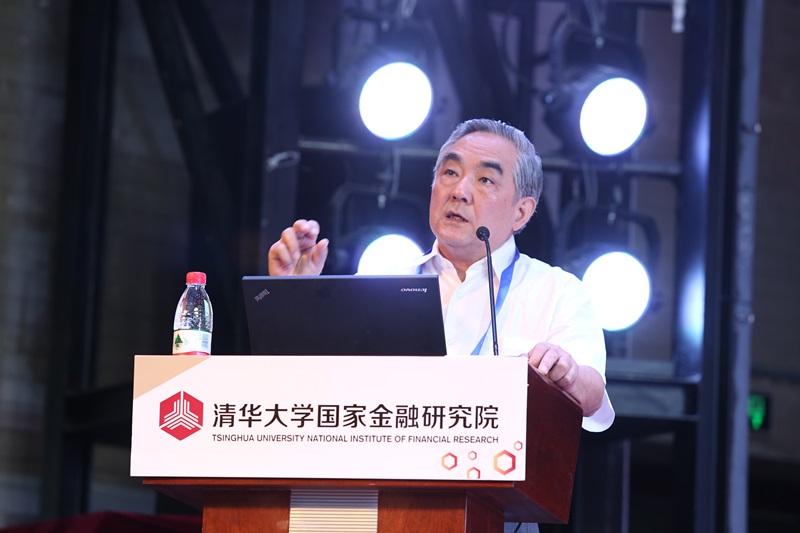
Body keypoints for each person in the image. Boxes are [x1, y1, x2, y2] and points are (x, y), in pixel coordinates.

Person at [268, 118, 614, 532]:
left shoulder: (556, 290)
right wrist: (296, 297)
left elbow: (592, 395)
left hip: (492, 515)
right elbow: (312, 393)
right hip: (369, 511)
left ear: (521, 211)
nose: (459, 190)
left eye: (485, 180)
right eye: (450, 172)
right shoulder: (381, 279)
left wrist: (566, 373)